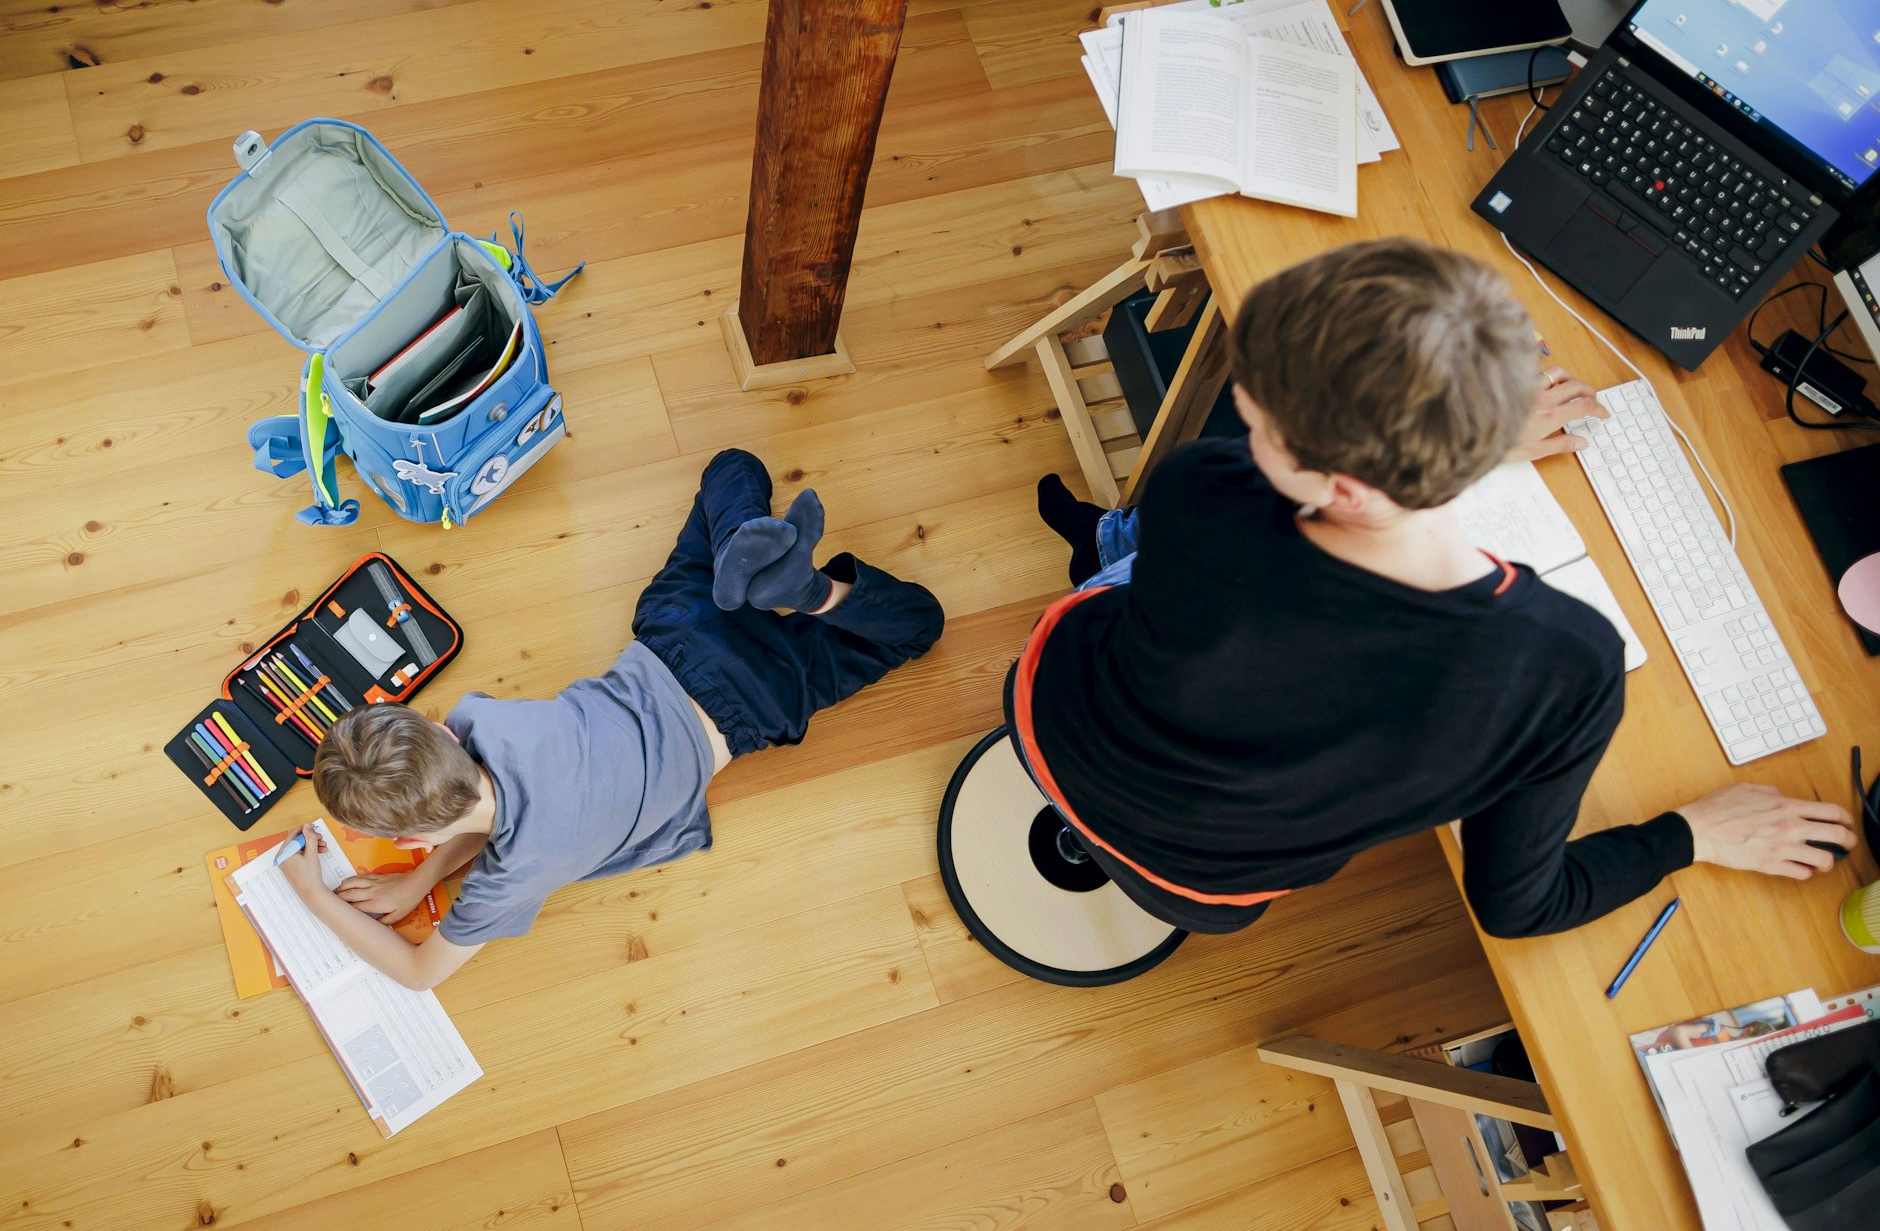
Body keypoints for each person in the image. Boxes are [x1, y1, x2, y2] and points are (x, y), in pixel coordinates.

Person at [1018, 237, 1854, 939]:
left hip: (1047, 707)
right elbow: (1517, 906)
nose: (1241, 403)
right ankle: (1107, 544)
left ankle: (1103, 543)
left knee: (1149, 554)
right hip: (1193, 877)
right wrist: (1690, 834)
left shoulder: (1201, 488)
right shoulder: (1564, 667)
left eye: (1260, 411)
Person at [279, 449, 945, 989]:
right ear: (445, 733)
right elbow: (477, 798)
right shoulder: (480, 719)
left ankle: (816, 594)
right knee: (733, 466)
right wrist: (424, 877)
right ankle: (751, 561)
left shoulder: (512, 876)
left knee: (919, 625)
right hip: (680, 631)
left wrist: (315, 894)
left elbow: (419, 973)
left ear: (412, 839)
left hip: (755, 699)